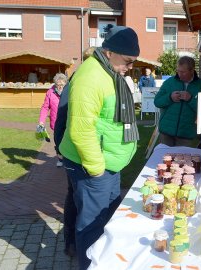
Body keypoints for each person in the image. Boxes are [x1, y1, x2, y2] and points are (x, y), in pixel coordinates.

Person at [58, 24, 140, 269]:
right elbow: (81, 130)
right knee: (92, 225)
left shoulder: (107, 72)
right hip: (94, 166)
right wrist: (96, 168)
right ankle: (89, 264)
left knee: (106, 219)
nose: (130, 67)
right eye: (127, 61)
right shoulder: (91, 77)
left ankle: (103, 261)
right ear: (108, 53)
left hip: (107, 164)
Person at [53, 46, 96, 258]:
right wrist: (59, 146)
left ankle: (71, 244)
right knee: (79, 199)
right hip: (76, 151)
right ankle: (75, 244)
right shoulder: (79, 81)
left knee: (74, 197)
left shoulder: (77, 78)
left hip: (72, 149)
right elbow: (62, 114)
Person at [154, 56, 201, 147]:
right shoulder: (169, 82)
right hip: (166, 132)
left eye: (183, 72)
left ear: (192, 70)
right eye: (178, 71)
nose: (179, 74)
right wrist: (170, 97)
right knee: (165, 159)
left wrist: (190, 99)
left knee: (183, 161)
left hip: (186, 134)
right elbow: (157, 102)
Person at [38, 73, 68, 166]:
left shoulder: (68, 92)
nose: (59, 87)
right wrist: (41, 121)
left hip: (67, 122)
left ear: (65, 84)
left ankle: (68, 159)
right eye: (57, 85)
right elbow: (45, 107)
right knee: (58, 141)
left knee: (67, 141)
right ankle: (60, 158)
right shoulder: (50, 92)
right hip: (55, 123)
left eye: (62, 85)